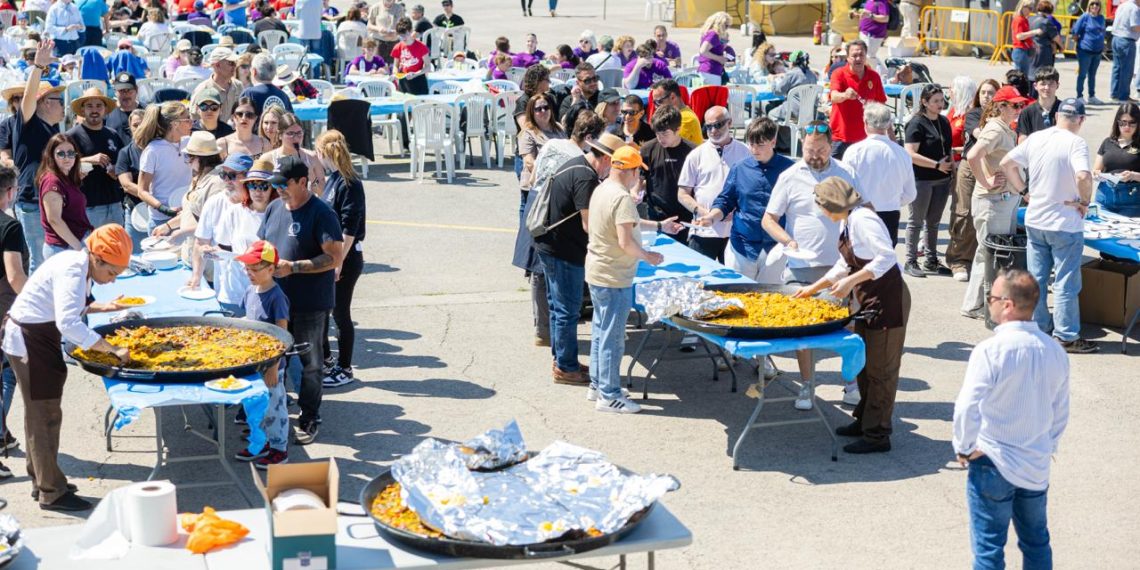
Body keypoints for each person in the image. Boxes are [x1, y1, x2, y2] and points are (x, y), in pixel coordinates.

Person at [2, 224, 133, 511]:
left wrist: (104, 307)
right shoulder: (74, 270)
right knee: (44, 415)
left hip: (36, 335)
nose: (112, 280)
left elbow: (69, 304)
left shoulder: (79, 263)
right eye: (111, 273)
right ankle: (51, 493)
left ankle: (42, 480)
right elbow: (68, 323)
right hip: (30, 340)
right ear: (97, 258)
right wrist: (111, 349)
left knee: (40, 414)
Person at [953, 269, 1068, 569]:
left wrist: (964, 447)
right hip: (1035, 464)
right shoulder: (1055, 351)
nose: (988, 302)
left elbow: (967, 405)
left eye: (991, 297)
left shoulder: (990, 351)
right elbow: (1060, 411)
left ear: (1007, 305)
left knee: (988, 551)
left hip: (992, 460)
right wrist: (1048, 446)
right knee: (1036, 542)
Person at [795, 176, 909, 453]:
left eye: (822, 206)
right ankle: (864, 421)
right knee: (865, 366)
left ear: (833, 204)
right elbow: (843, 264)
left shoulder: (864, 220)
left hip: (889, 299)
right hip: (868, 298)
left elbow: (886, 257)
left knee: (881, 370)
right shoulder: (847, 221)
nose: (822, 211)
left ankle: (877, 435)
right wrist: (813, 288)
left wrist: (849, 282)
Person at [762, 121, 860, 409]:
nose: (814, 155)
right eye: (808, 150)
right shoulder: (790, 176)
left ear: (831, 146)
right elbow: (769, 219)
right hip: (801, 265)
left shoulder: (845, 172)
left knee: (847, 325)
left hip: (839, 265)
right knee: (802, 328)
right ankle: (806, 386)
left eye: (820, 150)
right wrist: (787, 241)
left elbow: (862, 209)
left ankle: (851, 383)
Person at [257, 155, 343, 445]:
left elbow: (333, 257)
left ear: (303, 182)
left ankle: (309, 417)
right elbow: (263, 245)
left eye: (284, 184)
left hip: (310, 303)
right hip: (276, 300)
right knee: (271, 360)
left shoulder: (321, 212)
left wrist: (294, 267)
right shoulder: (273, 208)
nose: (278, 189)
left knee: (311, 364)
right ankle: (272, 414)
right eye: (276, 184)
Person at [1000, 97, 1097, 353]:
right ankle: (1066, 335)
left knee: (1037, 279)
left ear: (1056, 117)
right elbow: (1083, 175)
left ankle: (1039, 328)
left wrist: (1024, 191)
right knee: (1065, 283)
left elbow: (1006, 164)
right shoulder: (1076, 143)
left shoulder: (1037, 138)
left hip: (1036, 220)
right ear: (1081, 120)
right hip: (1064, 224)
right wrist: (1084, 201)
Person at [585, 146, 674, 414]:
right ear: (632, 171)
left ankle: (598, 385)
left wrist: (660, 226)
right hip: (613, 276)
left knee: (601, 331)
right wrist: (648, 256)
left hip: (598, 271)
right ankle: (609, 395)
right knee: (613, 338)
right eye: (638, 173)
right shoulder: (622, 197)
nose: (639, 178)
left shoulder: (603, 188)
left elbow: (627, 224)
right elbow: (626, 241)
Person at [531, 117, 613, 387]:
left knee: (558, 308)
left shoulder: (577, 163)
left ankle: (563, 360)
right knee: (567, 310)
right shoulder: (585, 177)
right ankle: (566, 367)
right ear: (605, 159)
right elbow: (590, 224)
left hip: (550, 245)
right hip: (563, 251)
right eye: (613, 165)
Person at [694, 117, 793, 283]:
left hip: (776, 248)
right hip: (742, 246)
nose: (754, 149)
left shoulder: (790, 170)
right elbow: (725, 200)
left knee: (772, 297)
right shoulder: (739, 168)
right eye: (751, 144)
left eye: (760, 145)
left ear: (773, 142)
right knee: (738, 295)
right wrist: (711, 217)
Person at [961, 86, 1027, 321]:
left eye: (1021, 105)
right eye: (1015, 105)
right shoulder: (995, 129)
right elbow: (973, 155)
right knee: (988, 253)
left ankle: (983, 303)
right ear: (1002, 106)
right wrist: (985, 181)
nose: (1019, 109)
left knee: (996, 254)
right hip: (993, 201)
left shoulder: (1004, 128)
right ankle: (973, 305)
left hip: (1003, 200)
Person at [314, 130, 364, 388]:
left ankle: (345, 367)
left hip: (346, 257)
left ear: (322, 153)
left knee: (341, 313)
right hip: (333, 255)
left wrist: (338, 261)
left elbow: (349, 227)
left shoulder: (349, 182)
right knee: (326, 311)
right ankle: (328, 361)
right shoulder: (333, 179)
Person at [235, 240, 291, 468]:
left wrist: (273, 368)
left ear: (270, 269)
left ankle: (279, 449)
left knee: (274, 409)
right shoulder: (251, 290)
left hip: (271, 367)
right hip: (252, 364)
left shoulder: (276, 297)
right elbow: (249, 320)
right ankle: (262, 443)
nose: (249, 273)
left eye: (255, 269)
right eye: (247, 268)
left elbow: (282, 335)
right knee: (256, 407)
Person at [13, 41, 65, 274]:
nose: (63, 106)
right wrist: (38, 67)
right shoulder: (28, 123)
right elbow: (28, 96)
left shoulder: (54, 130)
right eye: (59, 101)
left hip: (53, 199)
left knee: (54, 260)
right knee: (40, 263)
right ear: (43, 102)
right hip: (32, 202)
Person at [188, 153, 262, 313]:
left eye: (232, 175)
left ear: (249, 178)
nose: (227, 180)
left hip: (259, 294)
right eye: (223, 175)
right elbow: (201, 242)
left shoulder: (262, 207)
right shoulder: (214, 203)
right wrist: (196, 277)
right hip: (228, 294)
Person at [676, 106, 749, 262]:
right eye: (708, 126)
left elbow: (753, 190)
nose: (713, 130)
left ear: (729, 123)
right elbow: (682, 194)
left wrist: (737, 211)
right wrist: (706, 214)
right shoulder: (696, 155)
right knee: (700, 276)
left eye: (718, 125)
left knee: (734, 277)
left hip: (736, 232)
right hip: (704, 231)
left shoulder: (746, 152)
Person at [842, 102, 916, 246]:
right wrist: (892, 201)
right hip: (890, 213)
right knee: (885, 257)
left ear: (865, 122)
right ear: (889, 125)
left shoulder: (854, 151)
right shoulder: (901, 153)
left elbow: (845, 189)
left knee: (858, 255)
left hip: (860, 212)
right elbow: (910, 194)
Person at [947, 78, 997, 282]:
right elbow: (980, 134)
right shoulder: (973, 114)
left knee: (988, 214)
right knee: (964, 212)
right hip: (969, 166)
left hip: (992, 166)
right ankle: (959, 260)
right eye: (983, 92)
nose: (986, 96)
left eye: (991, 93)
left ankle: (982, 260)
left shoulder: (1004, 116)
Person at [902, 84, 954, 278]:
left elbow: (948, 149)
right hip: (922, 179)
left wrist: (952, 171)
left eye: (942, 100)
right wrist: (936, 165)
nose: (940, 104)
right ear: (924, 102)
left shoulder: (943, 121)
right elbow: (910, 153)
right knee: (916, 221)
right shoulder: (916, 123)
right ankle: (910, 260)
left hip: (942, 179)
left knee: (933, 222)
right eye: (936, 101)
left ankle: (931, 260)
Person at [67, 87, 125, 230]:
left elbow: (123, 164)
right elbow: (60, 165)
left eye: (99, 106)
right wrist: (88, 160)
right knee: (91, 244)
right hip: (88, 206)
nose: (94, 110)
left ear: (105, 110)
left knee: (117, 243)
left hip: (115, 204)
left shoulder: (112, 134)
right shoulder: (71, 136)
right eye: (89, 106)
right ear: (82, 110)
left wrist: (117, 171)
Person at [0, 167, 25, 477]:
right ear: (9, 192)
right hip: (3, 308)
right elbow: (15, 276)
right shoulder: (9, 226)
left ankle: (3, 432)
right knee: (7, 375)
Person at [135, 101, 193, 234]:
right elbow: (142, 191)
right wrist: (165, 209)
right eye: (187, 119)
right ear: (174, 123)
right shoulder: (153, 150)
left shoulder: (190, 143)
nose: (192, 123)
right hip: (161, 220)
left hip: (186, 216)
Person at [641, 107, 695, 239]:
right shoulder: (648, 149)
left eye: (665, 133)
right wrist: (636, 191)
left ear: (678, 129)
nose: (660, 138)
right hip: (656, 215)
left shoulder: (693, 152)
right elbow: (640, 177)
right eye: (657, 133)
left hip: (684, 217)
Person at [37, 134, 91, 260]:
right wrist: (79, 247)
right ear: (51, 156)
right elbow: (54, 219)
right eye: (61, 154)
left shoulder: (65, 177)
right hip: (63, 248)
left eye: (71, 153)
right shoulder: (52, 181)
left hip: (72, 245)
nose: (67, 158)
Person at [829, 40, 886, 158]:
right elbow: (834, 97)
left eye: (861, 55)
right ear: (847, 58)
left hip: (866, 138)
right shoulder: (838, 74)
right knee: (834, 168)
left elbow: (881, 105)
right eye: (854, 55)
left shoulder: (874, 76)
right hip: (841, 137)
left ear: (866, 56)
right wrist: (845, 95)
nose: (858, 58)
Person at [265, 113, 324, 196]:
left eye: (299, 133)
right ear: (280, 135)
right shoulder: (268, 158)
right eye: (290, 133)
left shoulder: (312, 157)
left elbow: (324, 193)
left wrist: (313, 178)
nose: (296, 138)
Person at [191, 48, 242, 125]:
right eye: (231, 63)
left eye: (235, 63)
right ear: (217, 65)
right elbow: (194, 118)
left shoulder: (238, 86)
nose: (235, 66)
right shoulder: (202, 89)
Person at [650, 79, 703, 146]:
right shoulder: (679, 114)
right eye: (654, 102)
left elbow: (670, 145)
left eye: (659, 102)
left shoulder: (686, 118)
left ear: (672, 97)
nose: (655, 107)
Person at [1072, 0, 1105, 104]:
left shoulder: (1101, 18)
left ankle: (1092, 96)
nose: (1095, 6)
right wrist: (1081, 44)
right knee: (1082, 74)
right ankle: (1079, 96)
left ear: (1100, 6)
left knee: (1092, 75)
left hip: (1097, 52)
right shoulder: (1084, 17)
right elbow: (1075, 33)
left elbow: (1102, 32)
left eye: (1097, 4)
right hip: (1085, 51)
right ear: (1089, 6)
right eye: (1092, 4)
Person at [1017, 67, 1059, 143]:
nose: (1047, 87)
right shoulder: (1027, 112)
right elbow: (1022, 141)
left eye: (1051, 84)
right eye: (1043, 84)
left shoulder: (1064, 110)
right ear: (1035, 86)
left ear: (1057, 85)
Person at [390, 17, 429, 95]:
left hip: (419, 81)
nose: (403, 37)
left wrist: (415, 74)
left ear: (411, 31)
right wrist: (395, 74)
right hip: (403, 82)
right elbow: (395, 66)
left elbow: (428, 67)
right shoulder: (398, 47)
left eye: (406, 34)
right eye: (401, 35)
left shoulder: (421, 47)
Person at [1111, 0, 1140, 103]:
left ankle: (1114, 94)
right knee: (1127, 70)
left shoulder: (1122, 5)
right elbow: (1135, 26)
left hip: (1116, 38)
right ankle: (1123, 96)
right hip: (1126, 40)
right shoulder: (1134, 8)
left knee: (1117, 68)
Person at [558, 63, 600, 133]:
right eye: (587, 81)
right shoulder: (569, 100)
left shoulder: (602, 97)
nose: (593, 83)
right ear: (578, 83)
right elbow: (564, 124)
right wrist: (575, 101)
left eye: (595, 78)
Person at [1028, 2, 1063, 80]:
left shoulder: (1030, 19)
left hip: (1031, 49)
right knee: (1043, 75)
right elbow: (1056, 37)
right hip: (1043, 51)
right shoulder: (1046, 22)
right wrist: (1062, 46)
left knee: (1030, 74)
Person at [106, 72, 143, 143]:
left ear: (136, 90)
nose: (126, 95)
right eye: (121, 91)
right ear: (115, 91)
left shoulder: (146, 112)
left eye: (129, 90)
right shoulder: (107, 112)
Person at [696, 11, 731, 86]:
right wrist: (719, 58)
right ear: (720, 24)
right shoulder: (714, 34)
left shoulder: (709, 33)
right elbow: (703, 51)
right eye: (726, 26)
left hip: (708, 71)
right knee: (714, 94)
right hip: (711, 72)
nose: (727, 28)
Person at [856, 0, 890, 75]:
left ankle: (881, 74)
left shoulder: (882, 2)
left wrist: (871, 16)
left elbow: (885, 18)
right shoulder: (869, 1)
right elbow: (866, 14)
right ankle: (883, 73)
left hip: (874, 34)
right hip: (865, 33)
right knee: (868, 55)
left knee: (869, 56)